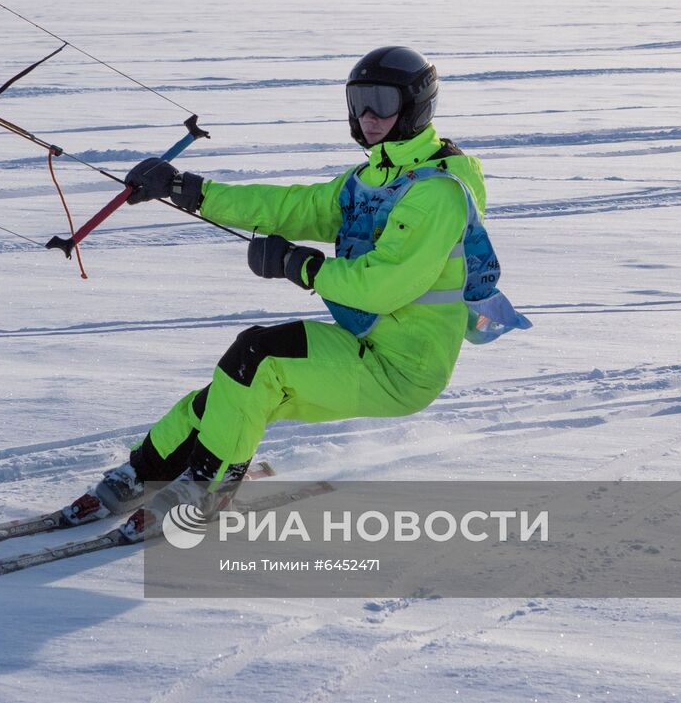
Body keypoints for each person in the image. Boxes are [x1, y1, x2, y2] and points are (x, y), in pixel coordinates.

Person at [64, 46, 525, 542]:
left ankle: (208, 489)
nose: (368, 117)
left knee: (257, 355)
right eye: (359, 102)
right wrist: (189, 190)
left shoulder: (436, 192)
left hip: (403, 368)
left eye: (382, 103)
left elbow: (383, 285)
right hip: (366, 345)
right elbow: (291, 207)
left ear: (415, 106)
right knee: (232, 392)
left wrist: (300, 266)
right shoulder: (370, 179)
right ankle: (141, 473)